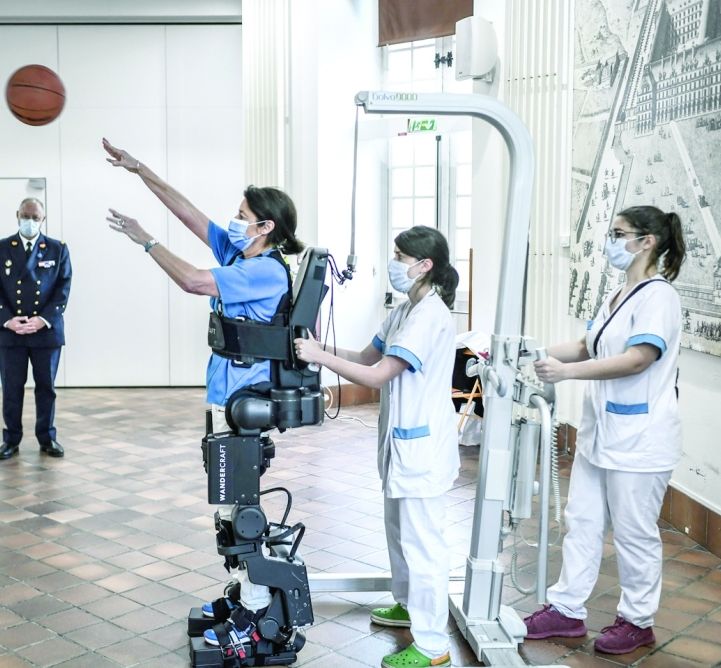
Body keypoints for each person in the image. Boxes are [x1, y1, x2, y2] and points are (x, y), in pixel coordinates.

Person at [101, 137, 306, 648]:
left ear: (267, 227)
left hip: (242, 399)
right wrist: (139, 169)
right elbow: (191, 215)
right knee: (229, 506)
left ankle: (254, 619)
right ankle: (242, 597)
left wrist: (146, 241)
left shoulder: (262, 269)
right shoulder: (242, 252)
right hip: (226, 395)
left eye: (243, 215)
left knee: (240, 509)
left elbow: (193, 281)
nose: (234, 221)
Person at [295, 225, 460, 668]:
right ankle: (407, 604)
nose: (395, 263)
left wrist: (319, 359)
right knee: (399, 532)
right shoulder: (407, 309)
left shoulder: (430, 316)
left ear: (424, 265)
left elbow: (377, 376)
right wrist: (315, 347)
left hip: (423, 450)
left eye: (400, 257)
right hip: (402, 445)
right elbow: (367, 356)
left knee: (424, 544)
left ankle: (431, 645)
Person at [525, 205, 685, 655]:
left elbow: (639, 358)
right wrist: (529, 353)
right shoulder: (619, 294)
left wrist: (567, 375)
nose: (610, 242)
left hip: (641, 439)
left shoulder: (659, 297)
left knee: (634, 532)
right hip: (601, 435)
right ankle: (567, 610)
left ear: (647, 241)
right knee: (583, 521)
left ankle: (638, 621)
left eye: (619, 234)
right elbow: (585, 344)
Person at [0, 198, 72, 460]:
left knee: (46, 388)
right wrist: (7, 320)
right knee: (12, 388)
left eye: (35, 217)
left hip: (45, 332)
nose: (30, 221)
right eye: (25, 216)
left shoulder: (57, 249)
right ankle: (11, 439)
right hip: (11, 332)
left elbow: (63, 288)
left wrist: (43, 319)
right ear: (17, 215)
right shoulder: (1, 248)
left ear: (42, 219)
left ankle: (47, 438)